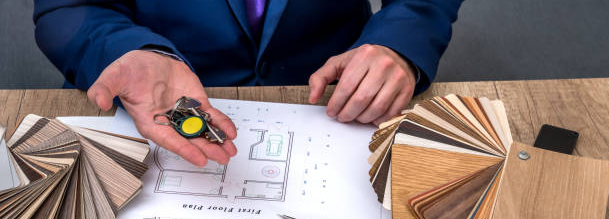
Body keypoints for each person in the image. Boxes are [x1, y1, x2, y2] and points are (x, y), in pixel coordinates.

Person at [33, 0, 463, 166]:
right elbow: (66, 7)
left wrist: (398, 41)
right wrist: (128, 51)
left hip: (334, 82)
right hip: (153, 87)